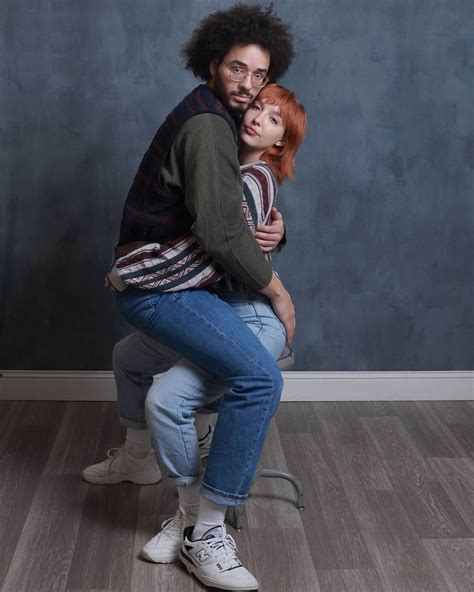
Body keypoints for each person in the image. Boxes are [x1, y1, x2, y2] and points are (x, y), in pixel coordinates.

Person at [85, 5, 299, 590]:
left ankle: (136, 458)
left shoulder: (218, 124)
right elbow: (222, 233)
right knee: (261, 380)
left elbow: (242, 211)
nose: (248, 85)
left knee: (132, 358)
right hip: (164, 290)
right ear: (212, 63)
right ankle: (204, 531)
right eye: (238, 69)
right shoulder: (208, 126)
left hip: (157, 284)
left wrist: (277, 230)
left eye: (260, 76)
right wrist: (279, 292)